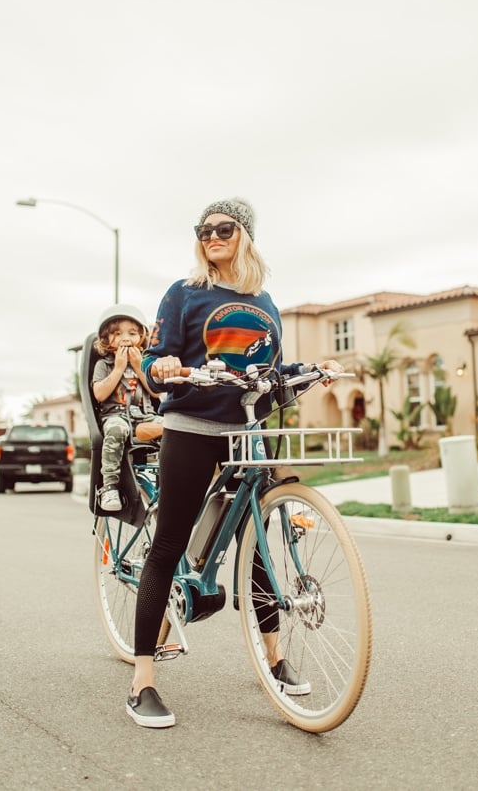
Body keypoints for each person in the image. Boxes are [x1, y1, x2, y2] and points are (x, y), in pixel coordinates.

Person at [126, 198, 343, 728]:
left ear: (244, 234)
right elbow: (154, 361)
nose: (211, 236)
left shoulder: (264, 300)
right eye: (204, 230)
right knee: (170, 543)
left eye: (223, 228)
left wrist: (311, 370)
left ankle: (274, 658)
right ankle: (142, 681)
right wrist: (168, 366)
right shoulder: (183, 293)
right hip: (192, 428)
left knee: (260, 545)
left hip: (246, 431)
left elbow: (266, 367)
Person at [92, 304, 163, 512]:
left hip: (145, 418)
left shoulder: (146, 362)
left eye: (132, 333)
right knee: (117, 429)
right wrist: (120, 367)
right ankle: (109, 486)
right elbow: (100, 394)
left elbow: (157, 392)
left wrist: (140, 365)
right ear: (106, 340)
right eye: (117, 333)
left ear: (142, 338)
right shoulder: (104, 365)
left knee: (173, 427)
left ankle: (167, 480)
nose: (125, 338)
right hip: (116, 417)